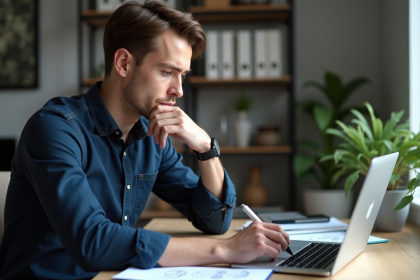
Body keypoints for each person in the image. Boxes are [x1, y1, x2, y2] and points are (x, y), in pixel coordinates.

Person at [0, 1, 290, 279]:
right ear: (124, 63)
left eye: (183, 76)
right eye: (167, 72)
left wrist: (205, 147)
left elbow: (213, 220)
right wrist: (226, 249)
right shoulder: (54, 129)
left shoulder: (150, 135)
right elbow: (92, 241)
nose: (178, 90)